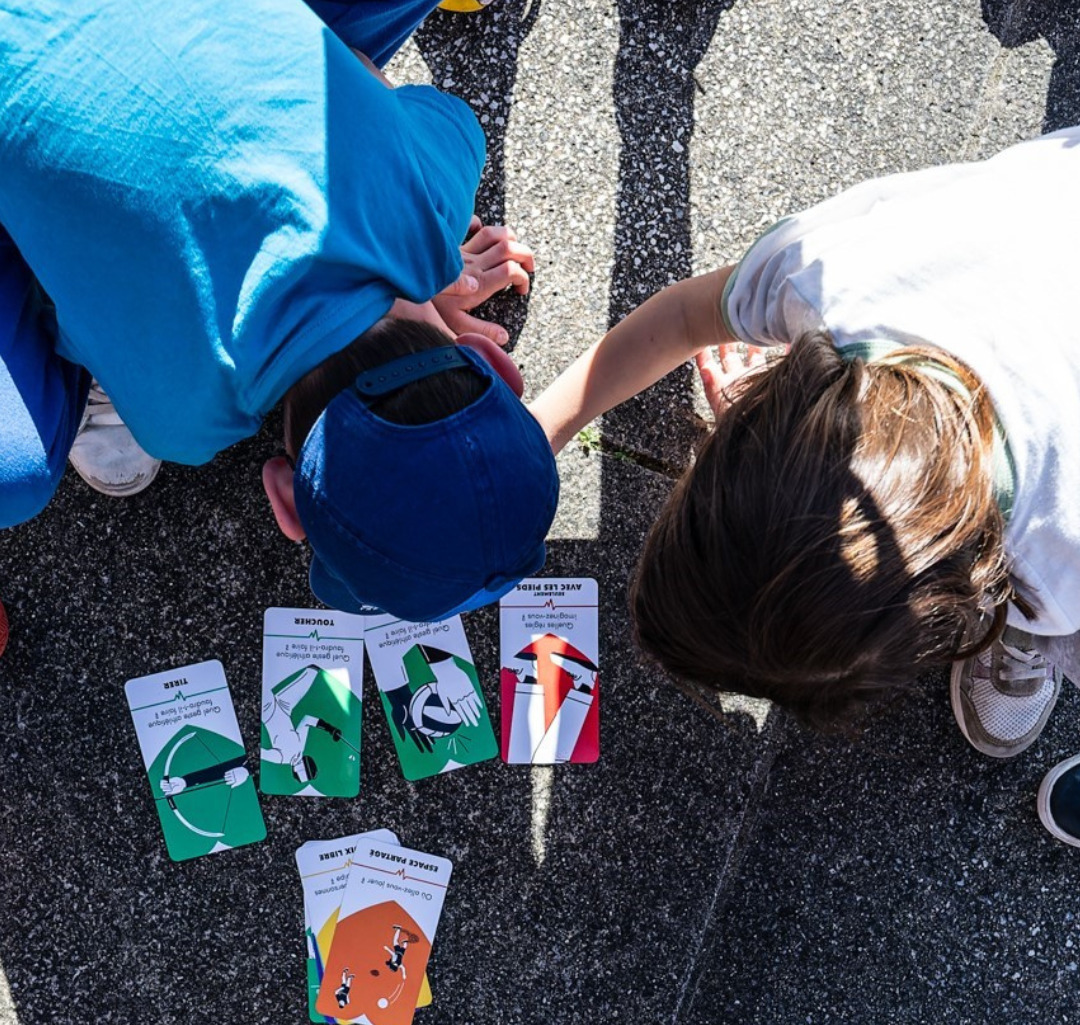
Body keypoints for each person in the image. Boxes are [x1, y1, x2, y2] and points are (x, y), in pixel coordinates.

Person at [528, 126, 1080, 847]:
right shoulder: (823, 277)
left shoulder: (1061, 555)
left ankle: (1024, 634)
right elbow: (684, 315)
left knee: (1051, 614)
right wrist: (537, 432)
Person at [0, 0, 556, 626]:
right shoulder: (181, 422)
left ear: (494, 361)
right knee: (19, 463)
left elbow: (443, 115)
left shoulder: (432, 201)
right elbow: (74, 311)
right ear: (285, 503)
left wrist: (427, 260)